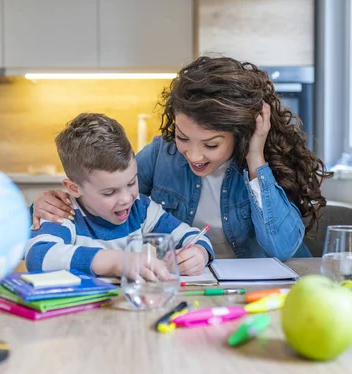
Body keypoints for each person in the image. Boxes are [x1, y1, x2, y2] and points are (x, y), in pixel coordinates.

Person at [31, 56, 333, 262]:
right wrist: (44, 205)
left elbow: (281, 249)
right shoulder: (162, 155)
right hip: (192, 286)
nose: (194, 155)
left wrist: (256, 157)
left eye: (211, 144)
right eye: (183, 137)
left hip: (262, 290)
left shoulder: (260, 162)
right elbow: (108, 191)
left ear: (239, 134)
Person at [26, 113, 214, 279]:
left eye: (132, 183)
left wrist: (200, 253)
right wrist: (116, 262)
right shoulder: (63, 212)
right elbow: (38, 256)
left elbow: (194, 236)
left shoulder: (142, 209)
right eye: (109, 192)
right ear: (74, 188)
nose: (126, 198)